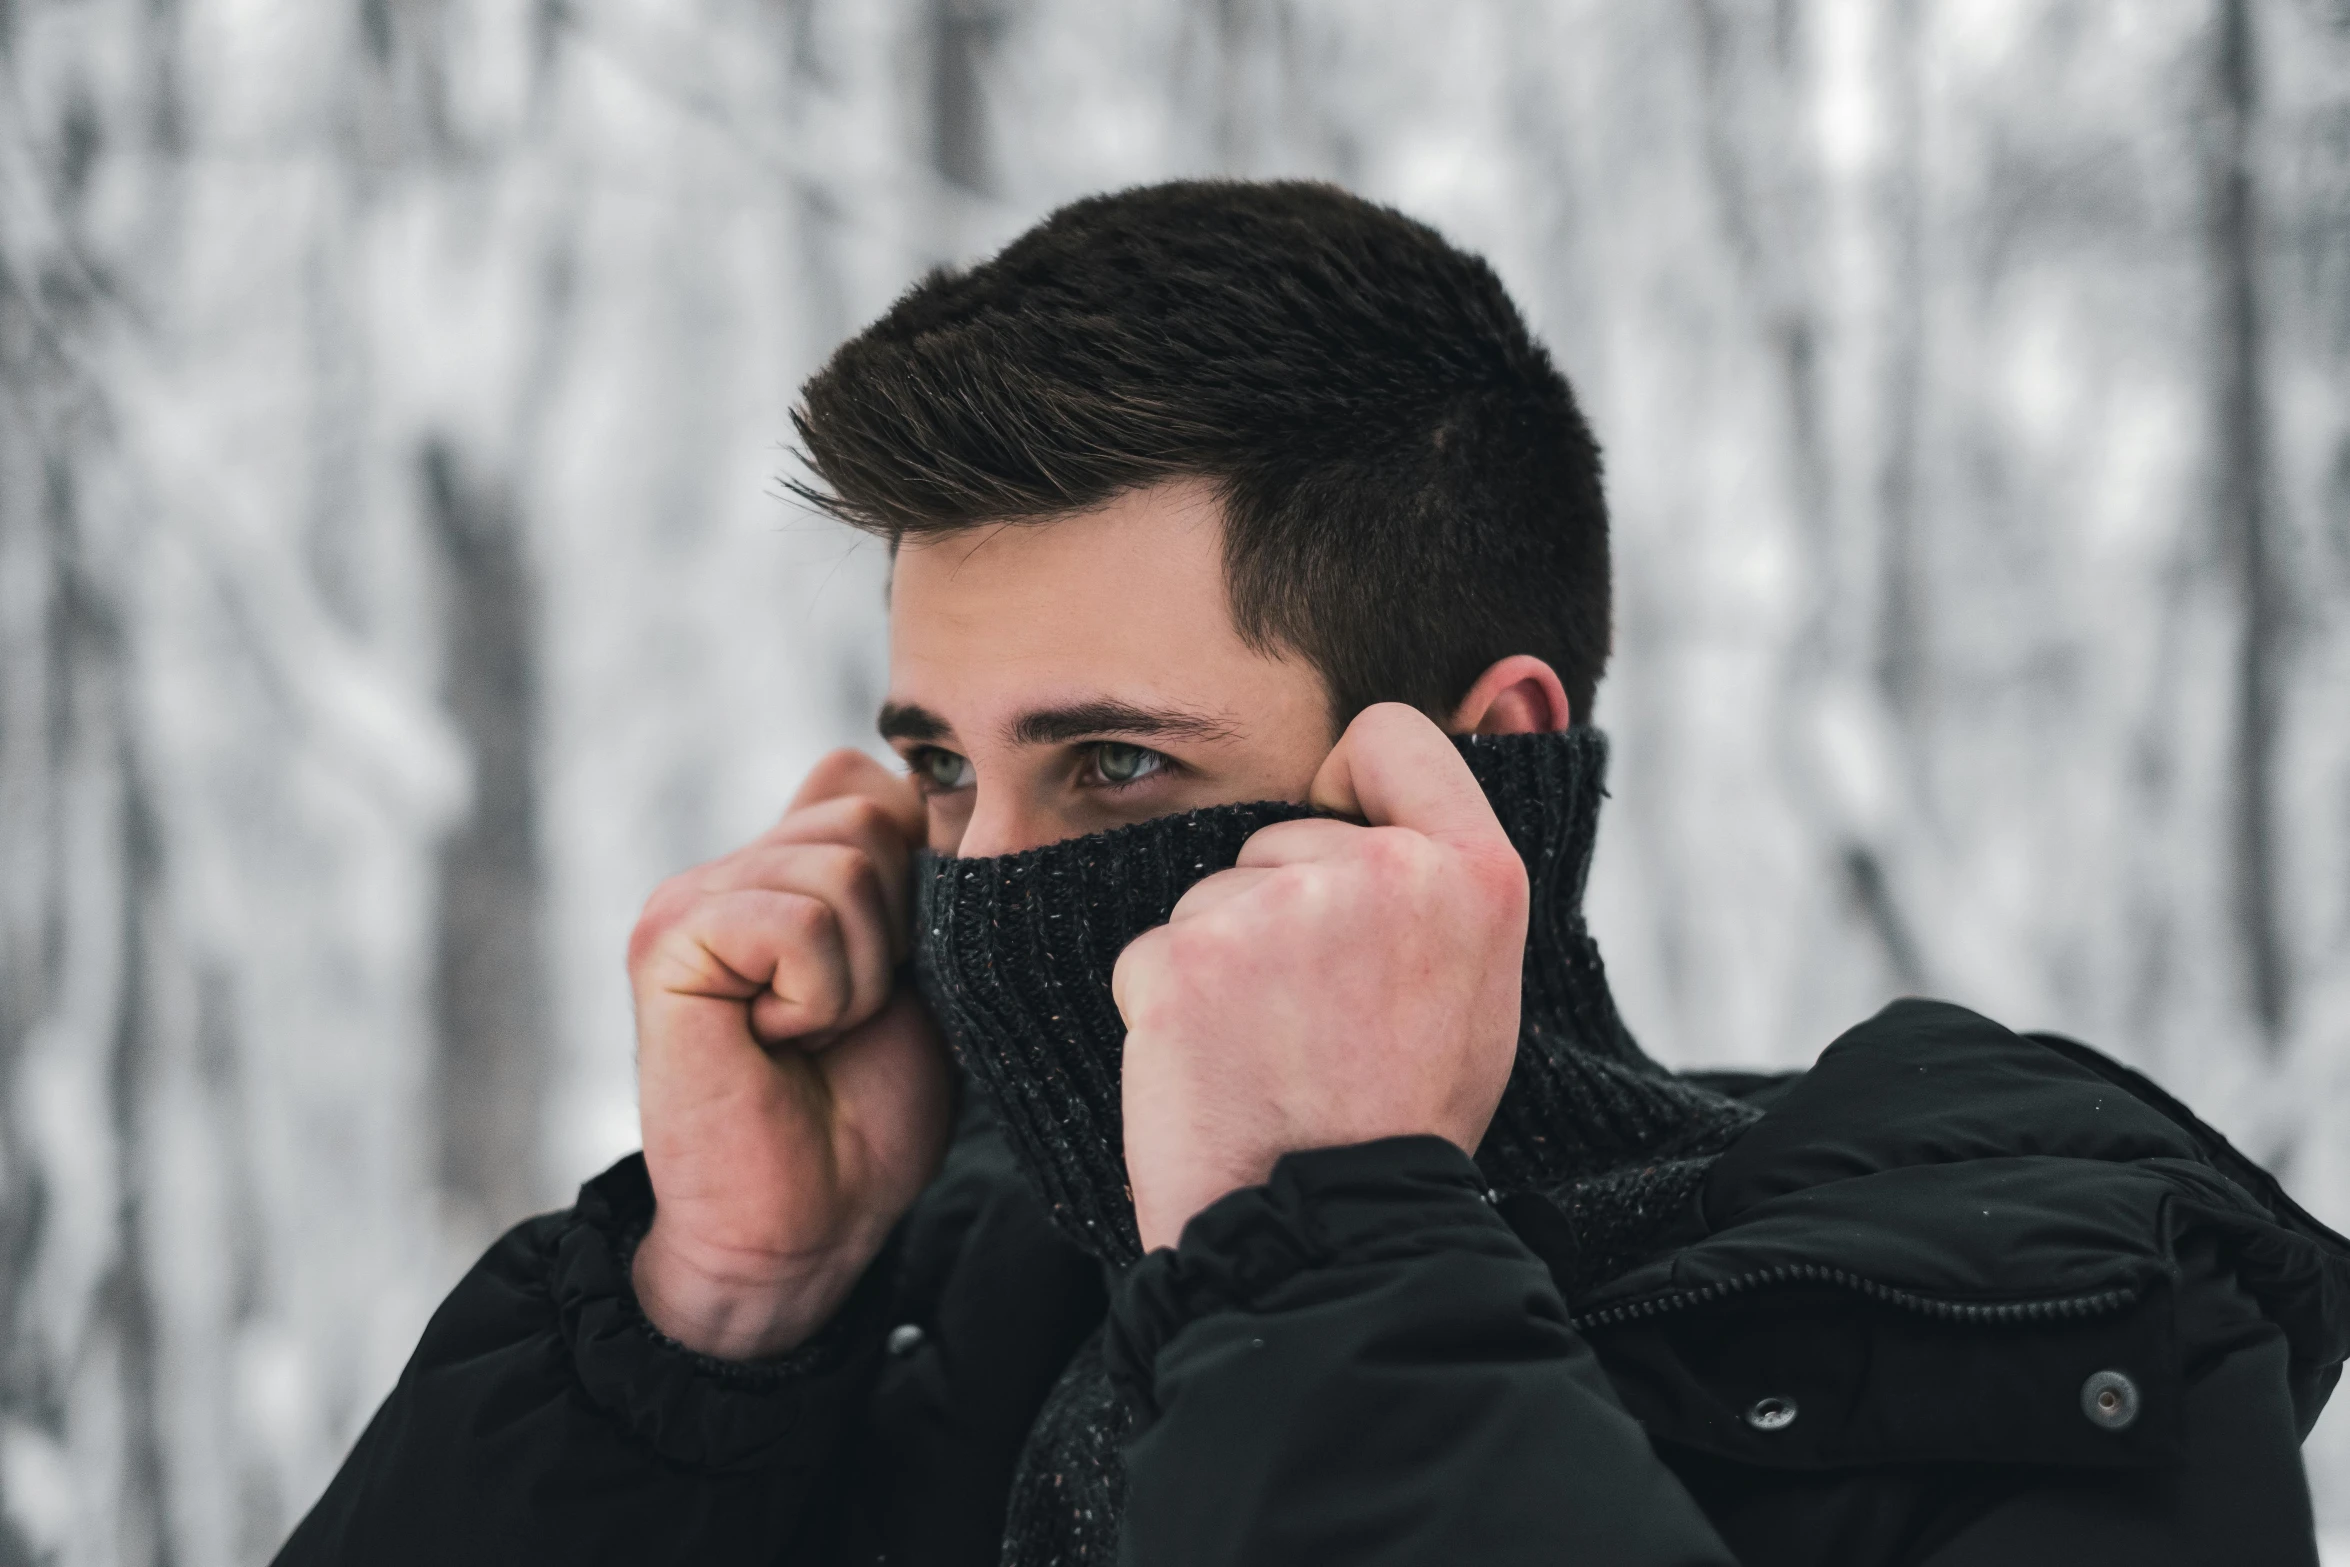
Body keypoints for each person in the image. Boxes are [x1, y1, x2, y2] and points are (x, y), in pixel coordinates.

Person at [274, 181, 2350, 1567]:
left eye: (1108, 763)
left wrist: (1324, 1261)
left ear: (1488, 764)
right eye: (939, 770)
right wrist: (711, 1329)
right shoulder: (939, 1365)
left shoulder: (2042, 1364)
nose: (985, 891)